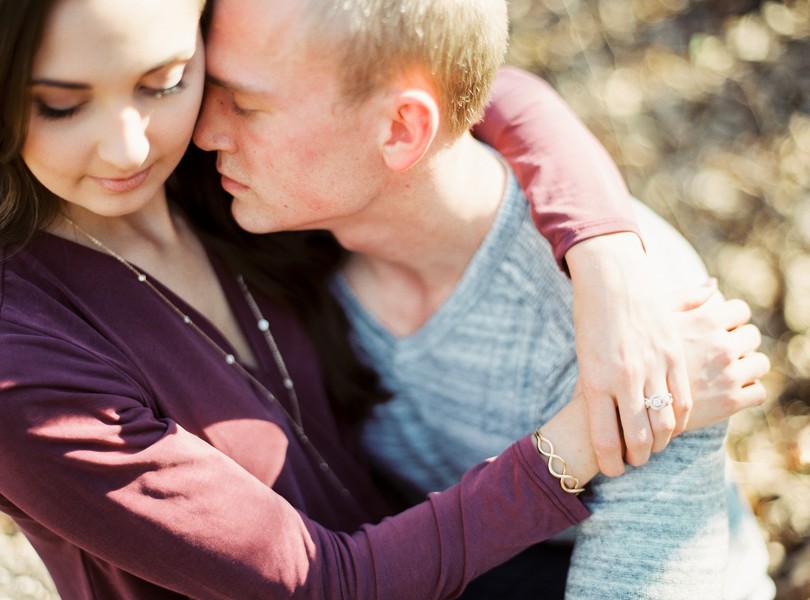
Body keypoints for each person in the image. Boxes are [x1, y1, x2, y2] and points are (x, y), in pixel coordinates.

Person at [0, 0, 769, 598]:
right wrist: (596, 428)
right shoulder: (25, 350)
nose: (134, 145)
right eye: (61, 105)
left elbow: (464, 75)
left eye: (164, 80)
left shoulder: (231, 184)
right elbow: (321, 584)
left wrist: (607, 258)